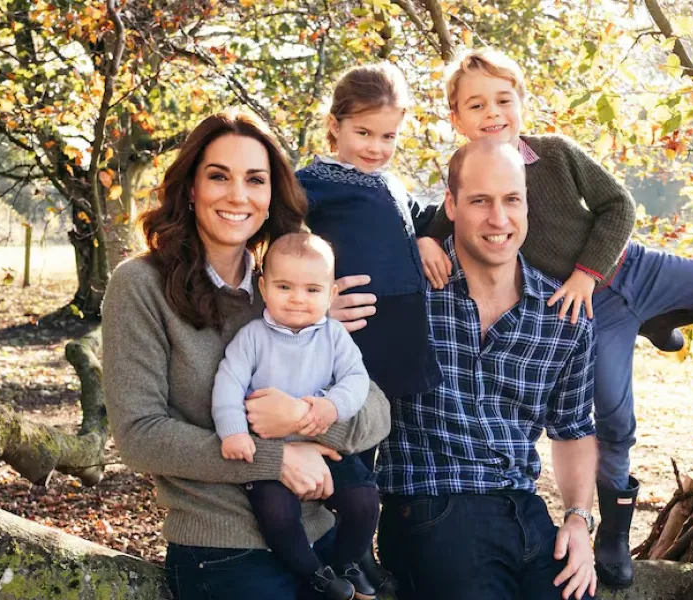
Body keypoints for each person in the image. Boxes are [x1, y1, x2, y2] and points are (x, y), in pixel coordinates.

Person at [418, 49, 693, 588]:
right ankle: (615, 535)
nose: (493, 113)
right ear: (456, 119)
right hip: (589, 313)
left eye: (504, 99)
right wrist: (422, 240)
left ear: (522, 103)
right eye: (476, 105)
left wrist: (585, 271)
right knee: (613, 419)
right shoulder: (469, 180)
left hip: (631, 269)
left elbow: (618, 205)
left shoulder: (555, 153)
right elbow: (443, 219)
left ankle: (659, 318)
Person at [102, 109, 390, 600]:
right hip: (225, 551)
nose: (238, 195)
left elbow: (376, 408)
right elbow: (140, 436)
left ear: (271, 194)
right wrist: (276, 460)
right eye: (219, 176)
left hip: (324, 536)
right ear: (190, 188)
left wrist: (303, 415)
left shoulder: (288, 286)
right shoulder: (140, 286)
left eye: (255, 180)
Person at [376, 139, 599, 600]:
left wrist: (579, 519)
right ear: (452, 205)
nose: (499, 219)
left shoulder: (562, 316)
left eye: (511, 200)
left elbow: (573, 428)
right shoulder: (406, 296)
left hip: (525, 510)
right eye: (480, 201)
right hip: (432, 503)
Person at [297, 62, 442, 594]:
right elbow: (280, 244)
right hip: (353, 336)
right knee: (347, 450)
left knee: (374, 447)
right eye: (363, 133)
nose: (377, 147)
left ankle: (361, 549)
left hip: (397, 339)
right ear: (334, 125)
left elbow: (417, 215)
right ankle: (343, 553)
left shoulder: (390, 181)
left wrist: (427, 236)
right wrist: (315, 298)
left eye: (388, 136)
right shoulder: (313, 183)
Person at [212, 232, 379, 600]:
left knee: (364, 500)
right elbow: (228, 383)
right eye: (284, 286)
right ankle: (314, 573)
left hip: (320, 446)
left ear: (331, 294)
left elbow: (356, 379)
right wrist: (233, 432)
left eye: (312, 290)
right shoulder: (252, 337)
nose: (298, 299)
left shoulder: (334, 336)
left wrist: (330, 406)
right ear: (263, 287)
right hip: (269, 454)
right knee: (278, 515)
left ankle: (347, 561)